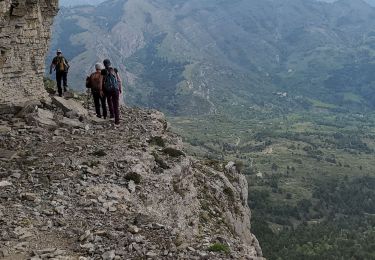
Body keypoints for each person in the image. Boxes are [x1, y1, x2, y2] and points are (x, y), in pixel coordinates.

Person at [102, 59, 122, 125]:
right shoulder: (115, 70)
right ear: (110, 63)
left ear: (104, 64)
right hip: (115, 89)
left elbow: (102, 81)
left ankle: (112, 114)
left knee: (109, 101)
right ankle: (117, 121)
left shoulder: (103, 71)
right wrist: (120, 88)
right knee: (116, 105)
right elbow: (119, 80)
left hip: (108, 90)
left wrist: (103, 90)